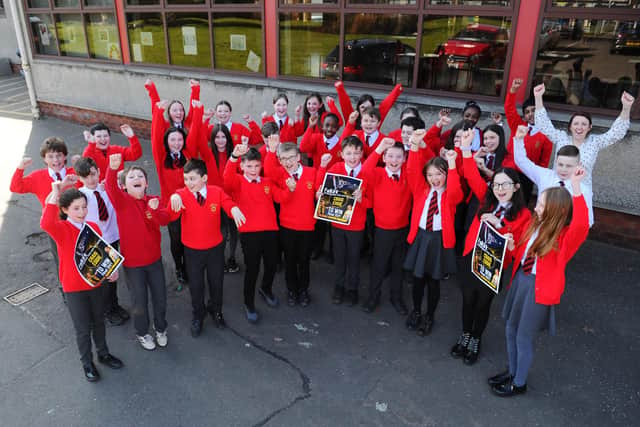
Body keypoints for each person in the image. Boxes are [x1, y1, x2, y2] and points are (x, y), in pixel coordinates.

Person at [489, 167, 590, 397]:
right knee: (510, 329)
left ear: (558, 211)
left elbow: (582, 225)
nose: (536, 208)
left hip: (538, 289)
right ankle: (513, 371)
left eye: (542, 205)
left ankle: (519, 382)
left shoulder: (564, 237)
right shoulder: (534, 224)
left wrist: (575, 187)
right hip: (521, 281)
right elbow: (522, 257)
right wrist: (512, 246)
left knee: (523, 336)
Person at [449, 129, 531, 365]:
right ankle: (465, 335)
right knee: (467, 300)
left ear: (516, 187)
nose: (500, 189)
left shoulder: (524, 215)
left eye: (505, 184)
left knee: (483, 304)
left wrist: (501, 225)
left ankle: (476, 338)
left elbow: (517, 249)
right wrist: (465, 149)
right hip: (471, 258)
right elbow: (472, 174)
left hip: (493, 265)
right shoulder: (486, 199)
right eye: (496, 184)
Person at [40, 183, 123, 382]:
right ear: (65, 209)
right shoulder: (61, 229)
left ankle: (103, 354)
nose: (82, 211)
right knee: (83, 329)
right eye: (76, 208)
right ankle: (87, 362)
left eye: (84, 207)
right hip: (73, 288)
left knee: (99, 322)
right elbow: (45, 223)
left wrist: (111, 272)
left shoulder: (93, 226)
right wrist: (54, 194)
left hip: (95, 285)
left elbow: (101, 256)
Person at [168, 159, 244, 336]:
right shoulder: (182, 194)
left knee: (216, 283)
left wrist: (233, 209)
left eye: (192, 179)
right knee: (196, 286)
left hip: (215, 250)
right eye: (186, 179)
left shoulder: (216, 192)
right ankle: (198, 314)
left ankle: (216, 310)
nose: (188, 183)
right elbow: (171, 216)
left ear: (204, 178)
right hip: (192, 251)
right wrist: (173, 197)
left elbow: (227, 202)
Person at [106, 154, 171, 350]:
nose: (136, 179)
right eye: (131, 177)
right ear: (124, 186)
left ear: (146, 183)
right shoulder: (122, 201)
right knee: (139, 301)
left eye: (140, 176)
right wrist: (113, 169)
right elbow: (110, 188)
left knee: (160, 298)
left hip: (154, 261)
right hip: (133, 265)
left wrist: (153, 211)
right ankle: (142, 333)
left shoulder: (155, 200)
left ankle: (161, 328)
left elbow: (164, 220)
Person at [403, 129, 464, 336]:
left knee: (433, 282)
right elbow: (411, 171)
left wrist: (453, 164)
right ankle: (416, 310)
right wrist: (414, 146)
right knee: (418, 279)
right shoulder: (421, 189)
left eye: (439, 174)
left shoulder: (449, 195)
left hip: (438, 240)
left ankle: (430, 315)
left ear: (446, 174)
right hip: (421, 237)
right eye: (430, 174)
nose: (434, 178)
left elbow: (456, 191)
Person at [10, 137, 80, 299]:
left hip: (78, 223)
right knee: (62, 259)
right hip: (55, 226)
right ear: (44, 159)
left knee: (82, 253)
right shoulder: (38, 177)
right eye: (50, 156)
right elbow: (16, 187)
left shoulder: (73, 173)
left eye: (59, 155)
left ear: (65, 156)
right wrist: (20, 168)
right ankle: (67, 290)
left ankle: (85, 281)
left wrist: (82, 163)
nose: (55, 160)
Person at [264, 141, 328, 306]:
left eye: (291, 157)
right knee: (290, 261)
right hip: (287, 227)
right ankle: (292, 290)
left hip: (307, 226)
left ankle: (303, 290)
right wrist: (271, 152)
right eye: (283, 158)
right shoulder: (280, 174)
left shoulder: (311, 171)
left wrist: (322, 170)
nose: (288, 162)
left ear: (299, 157)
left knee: (304, 261)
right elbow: (269, 171)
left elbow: (317, 190)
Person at [224, 146, 284, 323]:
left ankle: (266, 289)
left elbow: (280, 198)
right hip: (250, 234)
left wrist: (290, 188)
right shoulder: (237, 181)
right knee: (253, 269)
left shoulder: (267, 182)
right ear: (242, 166)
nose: (253, 170)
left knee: (272, 264)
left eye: (257, 166)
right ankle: (248, 303)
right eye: (249, 166)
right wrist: (234, 156)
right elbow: (226, 179)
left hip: (270, 231)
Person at [533, 83, 633, 187]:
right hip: (557, 189)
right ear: (570, 127)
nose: (579, 127)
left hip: (581, 191)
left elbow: (616, 133)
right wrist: (538, 97)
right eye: (576, 124)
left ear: (589, 127)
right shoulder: (561, 137)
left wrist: (626, 108)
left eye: (584, 124)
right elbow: (543, 126)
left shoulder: (594, 142)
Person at [151, 99, 203, 287]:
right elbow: (155, 135)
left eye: (180, 139)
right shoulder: (161, 156)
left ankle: (190, 267)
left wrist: (197, 111)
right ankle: (179, 268)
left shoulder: (188, 155)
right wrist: (158, 112)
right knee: (176, 240)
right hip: (171, 207)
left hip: (190, 205)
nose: (176, 142)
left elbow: (195, 131)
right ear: (167, 141)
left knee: (191, 237)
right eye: (172, 139)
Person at [315, 136, 371, 306]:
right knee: (339, 257)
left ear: (362, 153)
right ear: (342, 154)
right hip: (337, 223)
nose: (353, 157)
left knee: (354, 258)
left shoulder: (367, 172)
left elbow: (372, 203)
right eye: (349, 153)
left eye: (356, 153)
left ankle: (352, 289)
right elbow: (320, 187)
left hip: (357, 225)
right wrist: (320, 190)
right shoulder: (336, 168)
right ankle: (339, 286)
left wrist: (362, 199)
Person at [74, 156, 130, 327]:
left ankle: (114, 305)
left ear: (98, 171)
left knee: (113, 276)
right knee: (104, 278)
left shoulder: (107, 189)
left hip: (113, 237)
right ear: (80, 179)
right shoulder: (81, 197)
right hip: (97, 243)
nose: (90, 179)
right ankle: (107, 310)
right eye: (85, 177)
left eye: (92, 174)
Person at [360, 138, 411, 315]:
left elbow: (419, 163)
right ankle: (373, 296)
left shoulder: (407, 174)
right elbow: (364, 170)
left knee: (398, 266)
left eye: (399, 157)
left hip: (403, 229)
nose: (394, 160)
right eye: (390, 156)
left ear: (405, 158)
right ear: (384, 157)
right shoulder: (377, 173)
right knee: (379, 265)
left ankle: (396, 297)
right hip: (382, 230)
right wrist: (379, 148)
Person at [513, 125, 594, 226]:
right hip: (538, 227)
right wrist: (519, 140)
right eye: (560, 164)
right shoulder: (545, 175)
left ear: (578, 166)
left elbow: (588, 221)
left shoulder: (583, 189)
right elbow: (522, 162)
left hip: (563, 234)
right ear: (555, 162)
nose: (563, 169)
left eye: (569, 166)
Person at [500, 78, 553, 202]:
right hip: (509, 171)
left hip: (527, 175)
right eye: (527, 112)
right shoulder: (518, 126)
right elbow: (509, 109)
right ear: (524, 115)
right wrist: (513, 91)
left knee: (520, 206)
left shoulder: (546, 134)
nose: (531, 114)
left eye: (534, 110)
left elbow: (544, 161)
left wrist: (539, 179)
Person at [197, 123, 240, 273]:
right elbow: (198, 137)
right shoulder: (208, 154)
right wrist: (203, 118)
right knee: (222, 231)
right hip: (215, 199)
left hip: (233, 199)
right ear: (212, 139)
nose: (221, 140)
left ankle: (232, 258)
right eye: (217, 137)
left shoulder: (235, 154)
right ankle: (219, 259)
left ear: (228, 138)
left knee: (233, 230)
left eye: (223, 137)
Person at [334, 81, 403, 130]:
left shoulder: (375, 119)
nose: (365, 110)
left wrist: (396, 91)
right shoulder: (353, 118)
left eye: (368, 107)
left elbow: (385, 105)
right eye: (362, 107)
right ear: (358, 108)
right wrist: (340, 89)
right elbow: (345, 105)